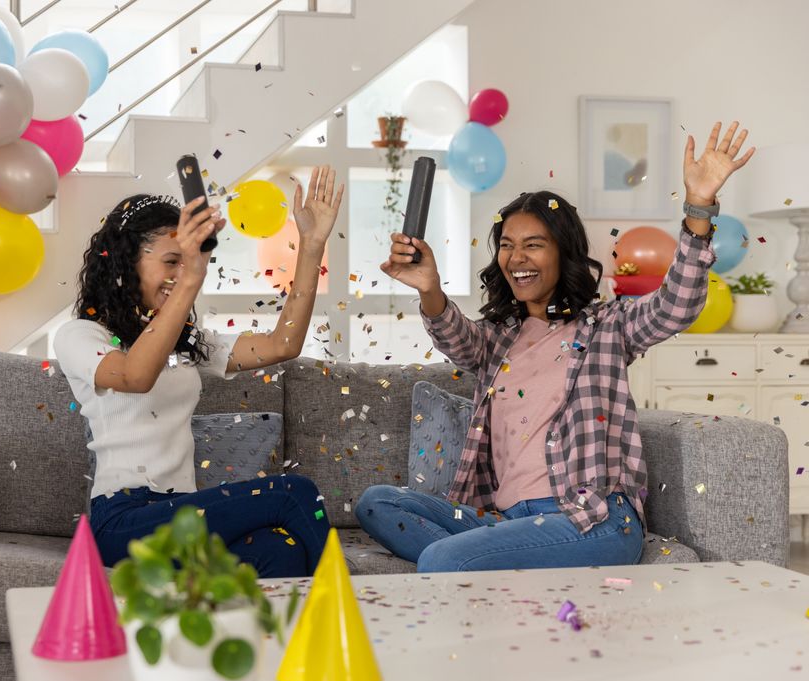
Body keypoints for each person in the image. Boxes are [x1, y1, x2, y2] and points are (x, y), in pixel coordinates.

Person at [357, 121, 754, 573]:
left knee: (441, 557)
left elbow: (676, 306)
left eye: (533, 245)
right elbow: (455, 336)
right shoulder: (498, 339)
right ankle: (497, 559)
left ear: (563, 253)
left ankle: (472, 560)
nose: (517, 258)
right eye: (507, 246)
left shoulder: (608, 327)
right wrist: (429, 287)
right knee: (378, 503)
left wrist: (698, 207)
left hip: (591, 520)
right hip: (506, 520)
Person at [54, 166, 345, 578]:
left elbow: (283, 344)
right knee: (293, 492)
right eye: (171, 261)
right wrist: (192, 274)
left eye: (186, 262)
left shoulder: (186, 341)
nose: (181, 274)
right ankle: (350, 612)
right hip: (124, 520)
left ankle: (266, 623)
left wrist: (312, 245)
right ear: (125, 263)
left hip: (182, 514)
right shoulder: (81, 335)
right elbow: (135, 376)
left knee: (283, 550)